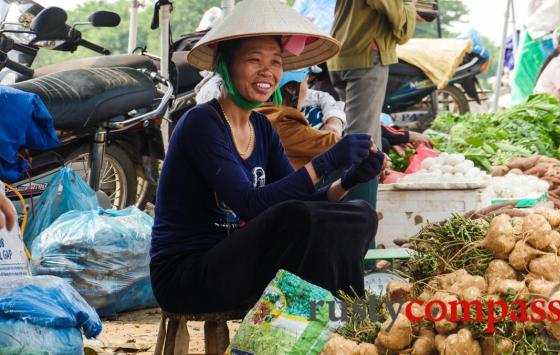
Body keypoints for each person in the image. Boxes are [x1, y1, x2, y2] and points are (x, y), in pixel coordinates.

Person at [150, 0, 384, 314]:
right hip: (187, 274)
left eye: (276, 62)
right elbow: (251, 205)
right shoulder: (201, 123)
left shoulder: (262, 126)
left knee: (360, 213)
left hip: (236, 262)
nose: (268, 71)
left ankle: (342, 321)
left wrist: (349, 179)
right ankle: (325, 320)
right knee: (293, 219)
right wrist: (327, 160)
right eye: (254, 60)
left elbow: (303, 200)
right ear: (226, 64)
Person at [326, 0, 417, 209]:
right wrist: (409, 6)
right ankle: (358, 215)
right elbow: (401, 25)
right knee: (362, 143)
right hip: (366, 55)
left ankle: (361, 211)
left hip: (342, 55)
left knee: (363, 136)